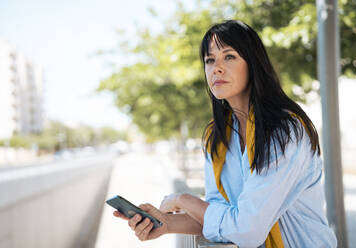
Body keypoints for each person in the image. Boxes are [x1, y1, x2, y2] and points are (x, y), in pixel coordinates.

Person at [113, 20, 337, 247]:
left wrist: (182, 199)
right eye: (210, 60)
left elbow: (246, 230)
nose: (216, 68)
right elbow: (218, 216)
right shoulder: (218, 138)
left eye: (229, 56)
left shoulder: (284, 131)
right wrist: (165, 224)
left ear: (253, 63)